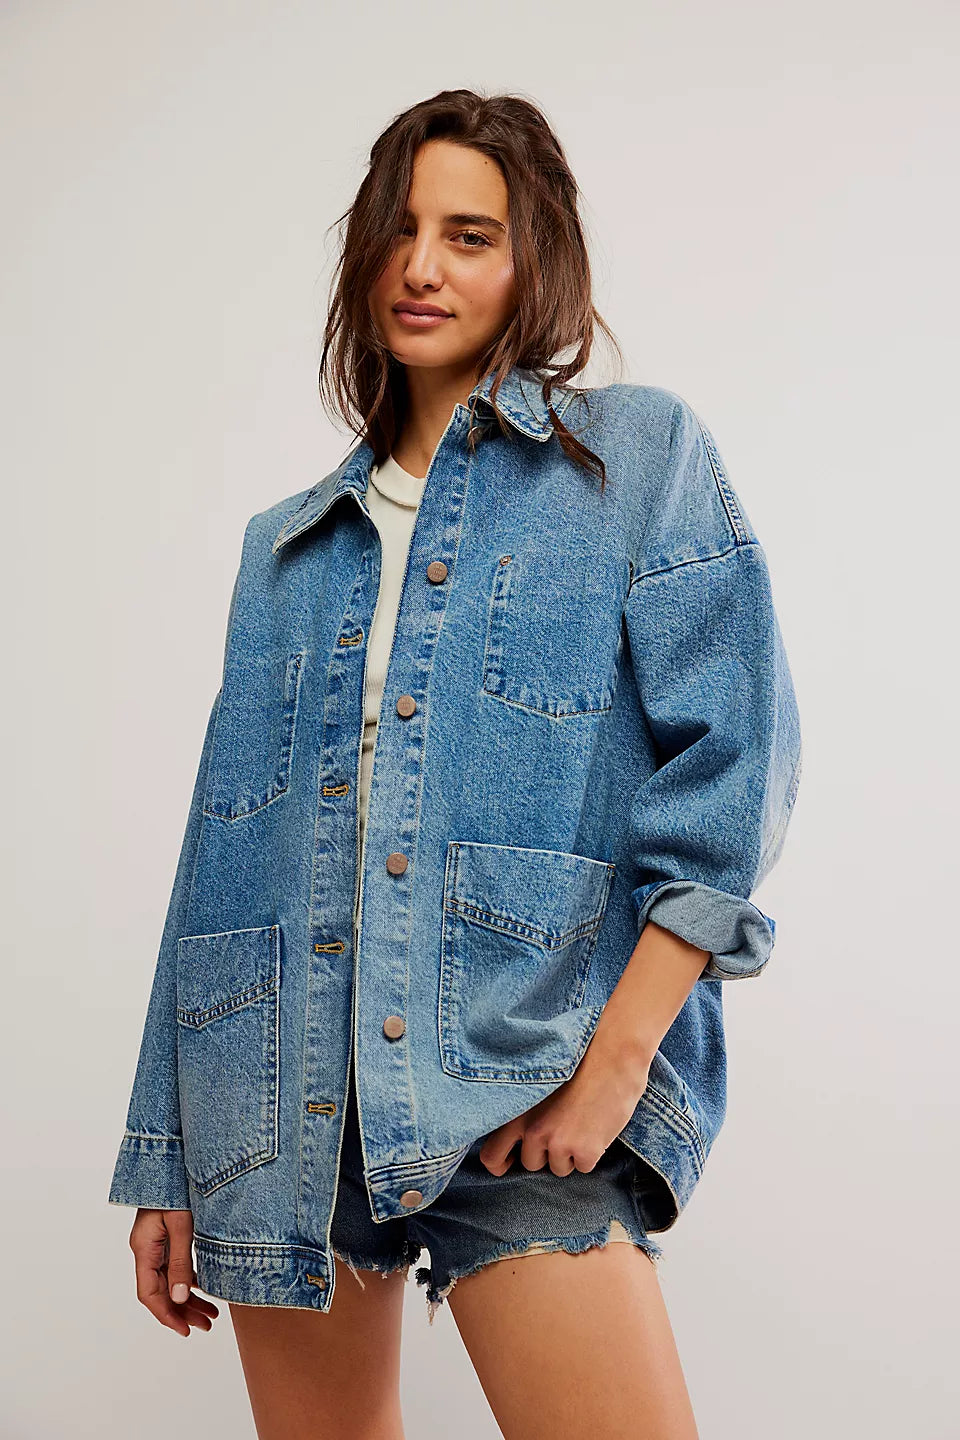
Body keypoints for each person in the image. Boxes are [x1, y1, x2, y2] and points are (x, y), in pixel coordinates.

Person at [107, 88, 802, 1440]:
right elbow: (220, 865)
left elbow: (735, 771)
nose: (422, 266)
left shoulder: (638, 461)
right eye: (400, 230)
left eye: (469, 236)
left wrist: (616, 1070)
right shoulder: (285, 547)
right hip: (285, 1112)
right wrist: (170, 1154)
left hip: (527, 1080)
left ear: (535, 260)